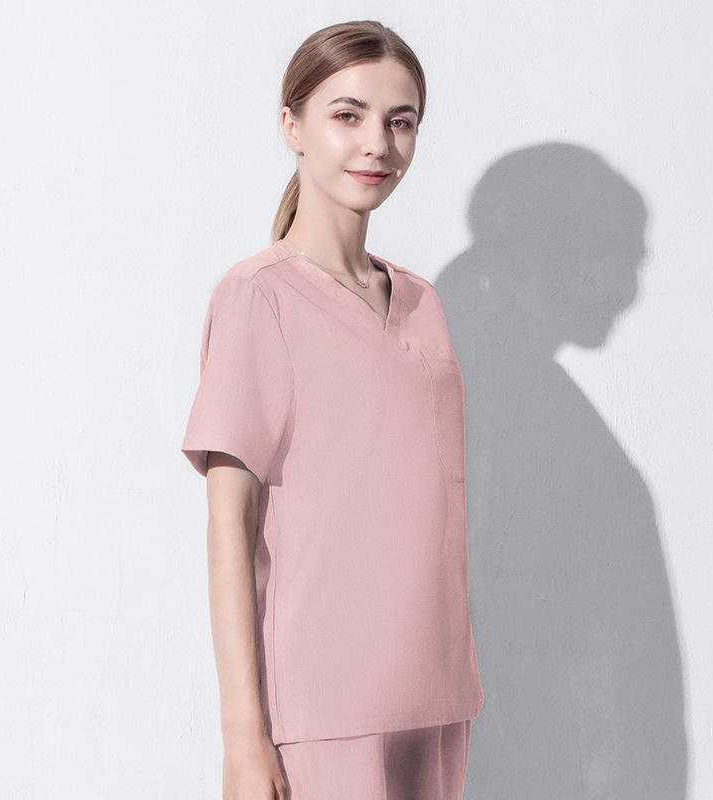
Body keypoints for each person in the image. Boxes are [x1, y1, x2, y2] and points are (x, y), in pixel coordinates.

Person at [180, 19, 484, 799]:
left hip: (438, 694)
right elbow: (229, 525)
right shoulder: (258, 297)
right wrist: (243, 737)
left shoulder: (422, 302)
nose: (377, 143)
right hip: (323, 708)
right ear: (293, 127)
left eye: (400, 121)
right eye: (347, 115)